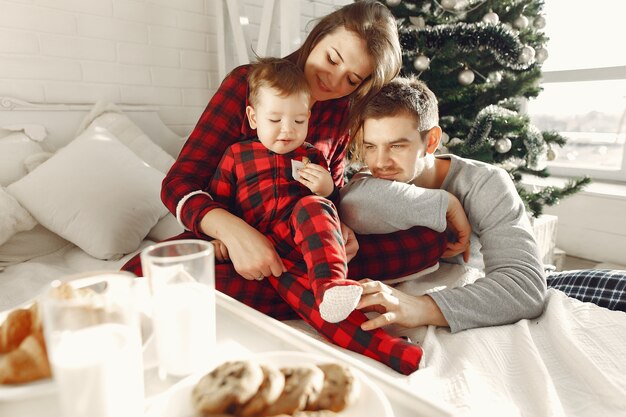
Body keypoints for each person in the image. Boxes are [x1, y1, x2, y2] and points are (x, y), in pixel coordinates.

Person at [122, 0, 458, 375]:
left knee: (428, 241)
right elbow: (179, 184)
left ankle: (325, 286)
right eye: (332, 59)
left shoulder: (340, 113)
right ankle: (323, 294)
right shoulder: (248, 86)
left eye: (352, 79)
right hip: (238, 245)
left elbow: (331, 192)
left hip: (308, 243)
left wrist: (339, 228)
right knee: (147, 273)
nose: (334, 81)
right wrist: (236, 235)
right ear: (317, 36)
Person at [339, 76, 547, 333]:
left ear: (432, 141)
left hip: (465, 305)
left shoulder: (484, 183)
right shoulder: (369, 181)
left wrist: (422, 308)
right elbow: (350, 205)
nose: (380, 163)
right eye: (370, 146)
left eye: (396, 146)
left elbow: (525, 286)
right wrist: (444, 204)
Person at [208, 57, 363, 323]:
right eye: (275, 119)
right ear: (253, 117)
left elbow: (328, 213)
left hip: (304, 252)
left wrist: (328, 190)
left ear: (308, 119)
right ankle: (402, 354)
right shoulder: (236, 155)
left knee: (313, 206)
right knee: (203, 283)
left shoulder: (312, 156)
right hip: (258, 255)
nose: (287, 130)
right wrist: (223, 240)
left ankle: (331, 285)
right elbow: (218, 205)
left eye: (299, 121)